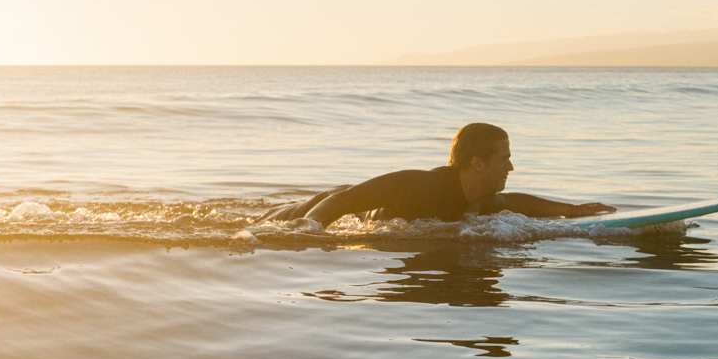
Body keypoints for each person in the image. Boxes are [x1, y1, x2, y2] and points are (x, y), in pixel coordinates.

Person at [258, 123, 616, 227]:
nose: (511, 167)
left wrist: (571, 209)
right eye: (504, 158)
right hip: (312, 208)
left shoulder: (480, 199)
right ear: (477, 163)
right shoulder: (420, 185)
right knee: (255, 221)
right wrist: (307, 229)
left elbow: (516, 202)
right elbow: (343, 200)